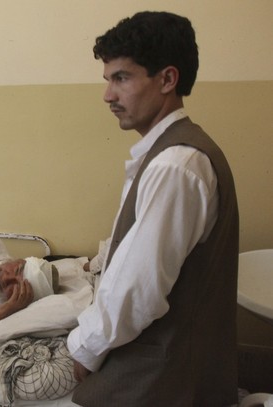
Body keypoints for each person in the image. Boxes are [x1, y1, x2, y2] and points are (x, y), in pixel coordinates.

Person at [66, 11, 239, 406]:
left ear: (167, 79)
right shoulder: (173, 153)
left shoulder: (175, 165)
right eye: (108, 80)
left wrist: (85, 347)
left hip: (161, 370)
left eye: (121, 78)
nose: (108, 95)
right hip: (170, 356)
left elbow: (138, 289)